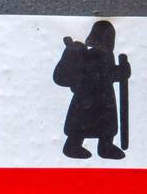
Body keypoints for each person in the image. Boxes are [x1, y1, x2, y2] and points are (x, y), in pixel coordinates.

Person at [53, 20, 130, 160]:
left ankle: (104, 147)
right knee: (83, 124)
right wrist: (121, 71)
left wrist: (122, 72)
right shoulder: (92, 55)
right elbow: (108, 73)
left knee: (105, 125)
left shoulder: (106, 56)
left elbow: (110, 74)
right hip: (88, 99)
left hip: (102, 98)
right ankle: (73, 146)